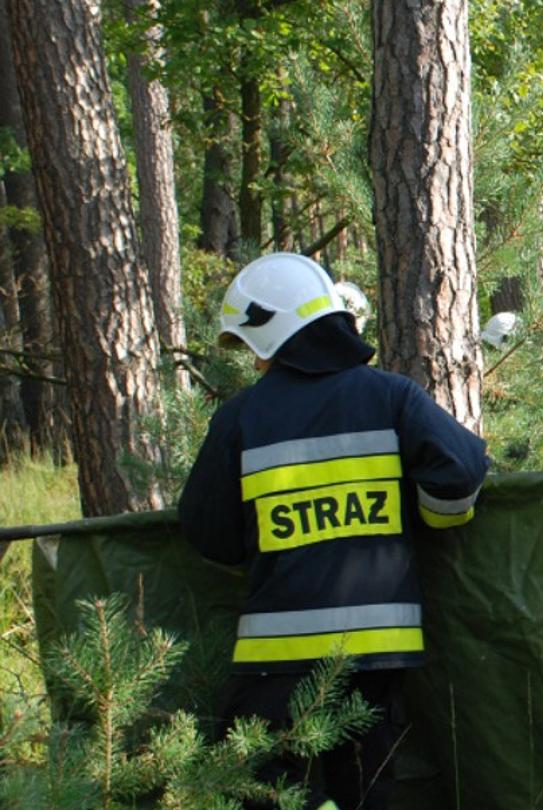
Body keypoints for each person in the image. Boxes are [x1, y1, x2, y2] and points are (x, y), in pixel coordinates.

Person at [180, 252, 490, 810]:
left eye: (253, 351)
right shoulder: (390, 396)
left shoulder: (241, 418)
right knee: (363, 791)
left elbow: (207, 533)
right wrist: (434, 522)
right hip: (381, 653)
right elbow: (462, 468)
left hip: (278, 657)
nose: (253, 366)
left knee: (259, 784)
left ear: (271, 334)